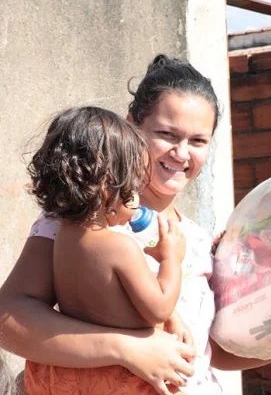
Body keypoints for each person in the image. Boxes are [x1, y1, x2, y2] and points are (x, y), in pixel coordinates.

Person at [0, 55, 267, 395]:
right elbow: (8, 319)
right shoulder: (77, 222)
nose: (182, 154)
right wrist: (127, 348)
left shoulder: (199, 239)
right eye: (167, 134)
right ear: (132, 127)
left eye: (198, 141)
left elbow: (210, 350)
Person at [22, 106, 189, 394]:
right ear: (104, 188)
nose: (137, 201)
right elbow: (158, 309)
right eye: (132, 187)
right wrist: (171, 259)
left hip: (66, 374)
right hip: (121, 378)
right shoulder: (119, 246)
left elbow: (104, 291)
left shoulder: (62, 238)